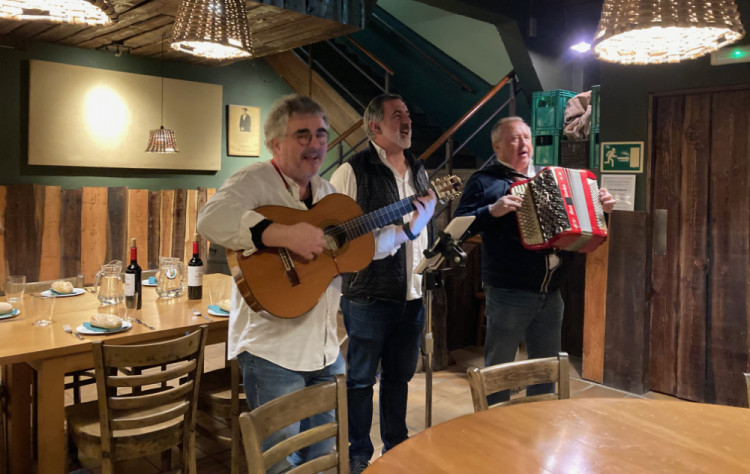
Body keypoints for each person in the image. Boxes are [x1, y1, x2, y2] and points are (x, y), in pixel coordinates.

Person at [197, 94, 343, 473]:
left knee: (323, 455)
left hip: (326, 349)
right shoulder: (254, 180)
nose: (315, 144)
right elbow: (211, 219)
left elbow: (355, 251)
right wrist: (282, 235)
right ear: (275, 144)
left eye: (322, 134)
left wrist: (409, 225)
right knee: (280, 461)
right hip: (273, 354)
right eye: (303, 135)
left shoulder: (327, 193)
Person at [453, 116, 615, 404]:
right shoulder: (485, 181)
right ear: (497, 146)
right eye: (514, 138)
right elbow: (459, 226)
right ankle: (494, 426)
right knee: (500, 369)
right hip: (508, 291)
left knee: (546, 369)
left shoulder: (549, 178)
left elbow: (579, 221)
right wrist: (492, 210)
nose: (523, 144)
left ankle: (540, 428)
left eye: (526, 137)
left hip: (551, 291)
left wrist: (600, 208)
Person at [330, 93, 437, 473]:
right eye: (397, 116)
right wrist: (406, 230)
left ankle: (396, 446)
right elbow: (336, 233)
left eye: (407, 114)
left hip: (412, 294)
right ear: (375, 127)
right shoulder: (351, 171)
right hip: (367, 297)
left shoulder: (420, 169)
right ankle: (358, 451)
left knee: (399, 377)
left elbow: (423, 230)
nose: (407, 121)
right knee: (360, 381)